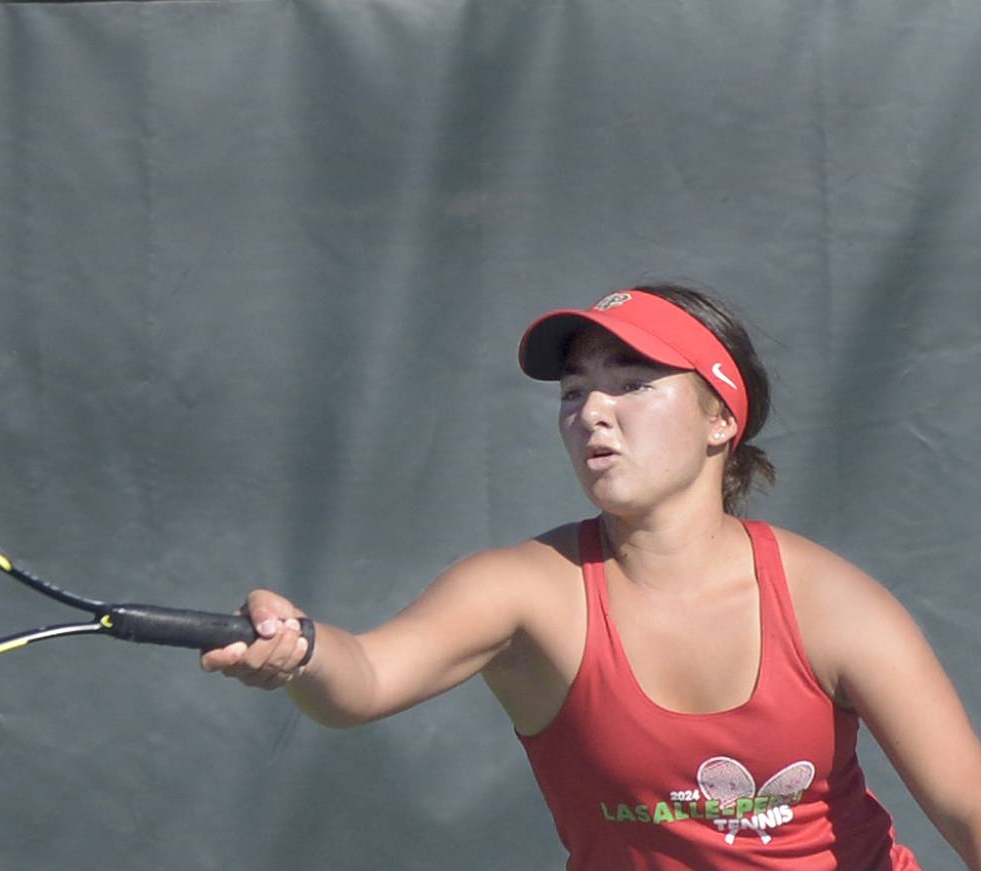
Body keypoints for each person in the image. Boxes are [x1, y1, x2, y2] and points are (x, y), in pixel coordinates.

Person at [200, 284, 981, 869]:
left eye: (633, 382)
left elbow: (967, 808)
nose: (592, 412)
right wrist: (298, 647)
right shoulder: (524, 591)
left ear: (721, 420)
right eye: (575, 392)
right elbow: (364, 676)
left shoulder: (834, 604)